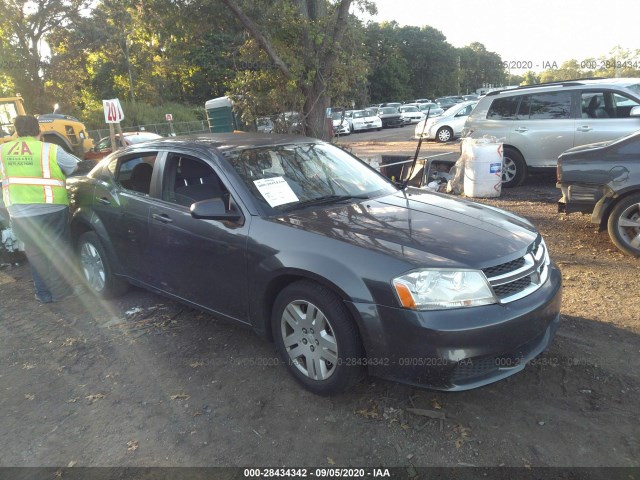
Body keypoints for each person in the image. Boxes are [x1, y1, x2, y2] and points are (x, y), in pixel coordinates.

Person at [0, 115, 81, 303]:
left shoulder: (3, 151)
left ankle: (43, 294)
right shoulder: (50, 149)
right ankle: (62, 291)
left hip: (20, 213)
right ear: (38, 130)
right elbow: (73, 166)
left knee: (35, 253)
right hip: (52, 208)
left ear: (17, 131)